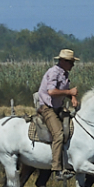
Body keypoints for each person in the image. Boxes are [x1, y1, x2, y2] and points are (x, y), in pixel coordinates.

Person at [37, 48, 80, 178]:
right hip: (47, 108)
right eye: (71, 62)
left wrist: (72, 97)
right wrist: (69, 93)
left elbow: (63, 91)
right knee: (59, 134)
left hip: (58, 107)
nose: (73, 65)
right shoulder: (54, 72)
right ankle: (57, 169)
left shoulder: (64, 74)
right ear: (62, 61)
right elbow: (51, 92)